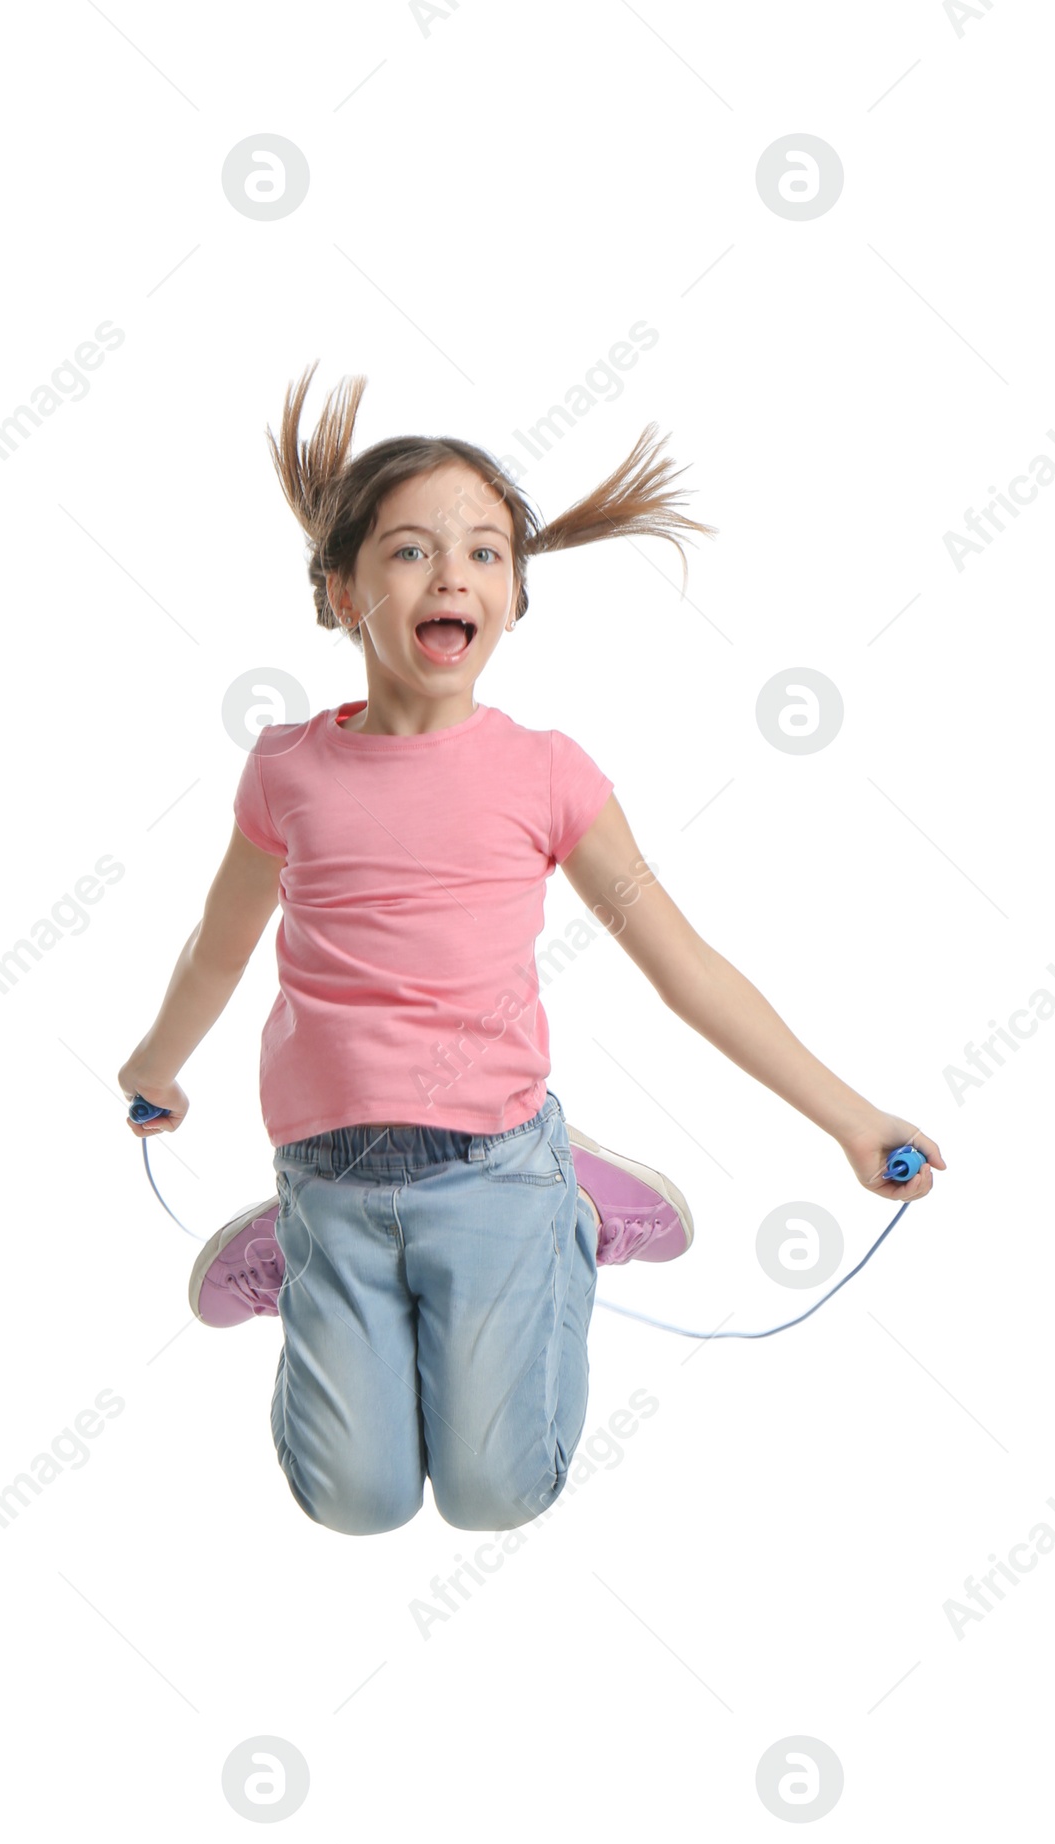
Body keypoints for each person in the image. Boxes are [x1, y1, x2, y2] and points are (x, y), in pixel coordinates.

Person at [118, 361, 944, 1537]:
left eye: (484, 552)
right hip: (328, 1176)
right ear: (340, 592)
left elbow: (688, 968)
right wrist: (155, 1067)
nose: (451, 571)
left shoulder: (547, 775)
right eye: (409, 550)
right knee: (353, 1505)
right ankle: (294, 1252)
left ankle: (578, 1209)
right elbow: (217, 944)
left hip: (493, 1176)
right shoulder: (287, 772)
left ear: (511, 599)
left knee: (497, 1498)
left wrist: (854, 1118)